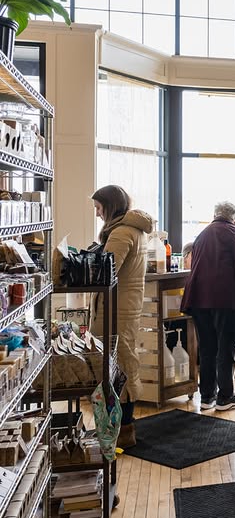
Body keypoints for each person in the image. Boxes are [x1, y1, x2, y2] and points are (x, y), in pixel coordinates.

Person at [91, 185, 153, 448]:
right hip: (125, 306)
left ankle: (122, 428)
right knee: (123, 362)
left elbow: (106, 271)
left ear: (110, 205)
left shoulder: (121, 232)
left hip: (115, 309)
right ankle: (123, 426)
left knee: (118, 368)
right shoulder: (135, 230)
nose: (97, 213)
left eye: (98, 208)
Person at [181, 201, 235, 412]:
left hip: (198, 298)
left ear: (214, 215)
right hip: (224, 298)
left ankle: (207, 397)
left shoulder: (202, 235)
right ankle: (225, 397)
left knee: (207, 348)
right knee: (225, 347)